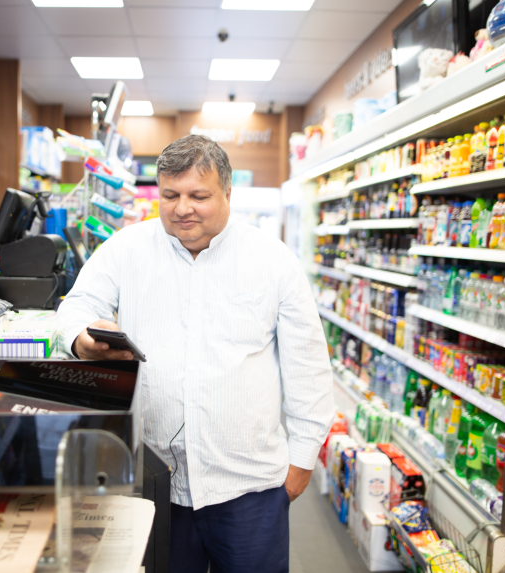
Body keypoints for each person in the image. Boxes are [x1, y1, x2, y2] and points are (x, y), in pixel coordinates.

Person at [57, 135, 333, 572]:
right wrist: (80, 338)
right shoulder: (128, 248)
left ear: (227, 193)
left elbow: (309, 369)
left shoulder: (272, 261)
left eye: (198, 196)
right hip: (155, 482)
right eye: (171, 195)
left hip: (249, 488)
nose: (182, 207)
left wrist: (301, 461)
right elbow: (75, 307)